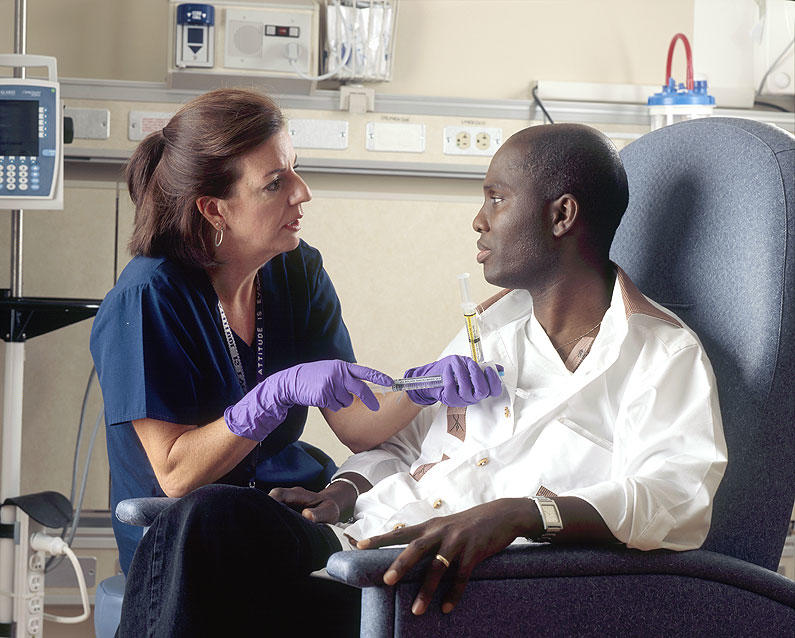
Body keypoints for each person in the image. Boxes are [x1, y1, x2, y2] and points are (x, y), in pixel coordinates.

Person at [116, 123, 727, 636]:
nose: (477, 221)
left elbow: (676, 498)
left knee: (214, 564)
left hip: (443, 588)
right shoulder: (491, 332)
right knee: (209, 518)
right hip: (359, 540)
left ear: (562, 215)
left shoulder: (658, 354)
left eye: (495, 198)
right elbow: (403, 449)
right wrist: (347, 488)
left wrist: (519, 514)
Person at [89, 87, 502, 589]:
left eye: (296, 169)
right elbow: (176, 473)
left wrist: (423, 385)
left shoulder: (296, 271)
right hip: (189, 544)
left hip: (291, 516)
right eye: (274, 183)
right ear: (214, 210)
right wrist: (272, 395)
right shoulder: (150, 296)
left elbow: (358, 425)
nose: (302, 192)